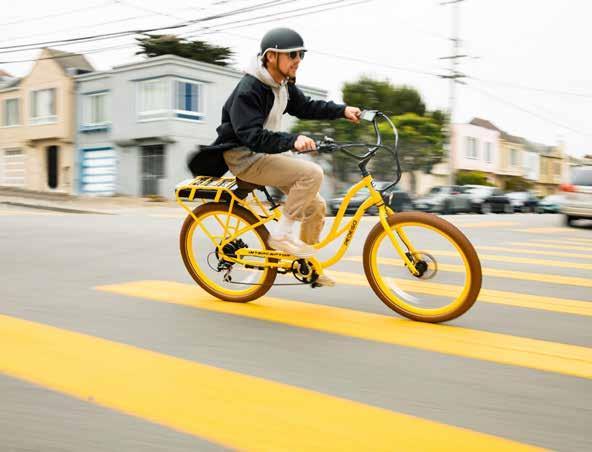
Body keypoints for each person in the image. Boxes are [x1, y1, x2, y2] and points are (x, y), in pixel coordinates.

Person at [207, 28, 361, 286]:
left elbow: (307, 106)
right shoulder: (250, 89)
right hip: (244, 157)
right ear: (271, 56)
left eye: (301, 55)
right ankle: (281, 235)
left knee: (316, 207)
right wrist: (292, 140)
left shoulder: (283, 85)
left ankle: (306, 265)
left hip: (263, 155)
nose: (298, 60)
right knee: (312, 173)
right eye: (292, 54)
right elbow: (250, 136)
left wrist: (343, 110)